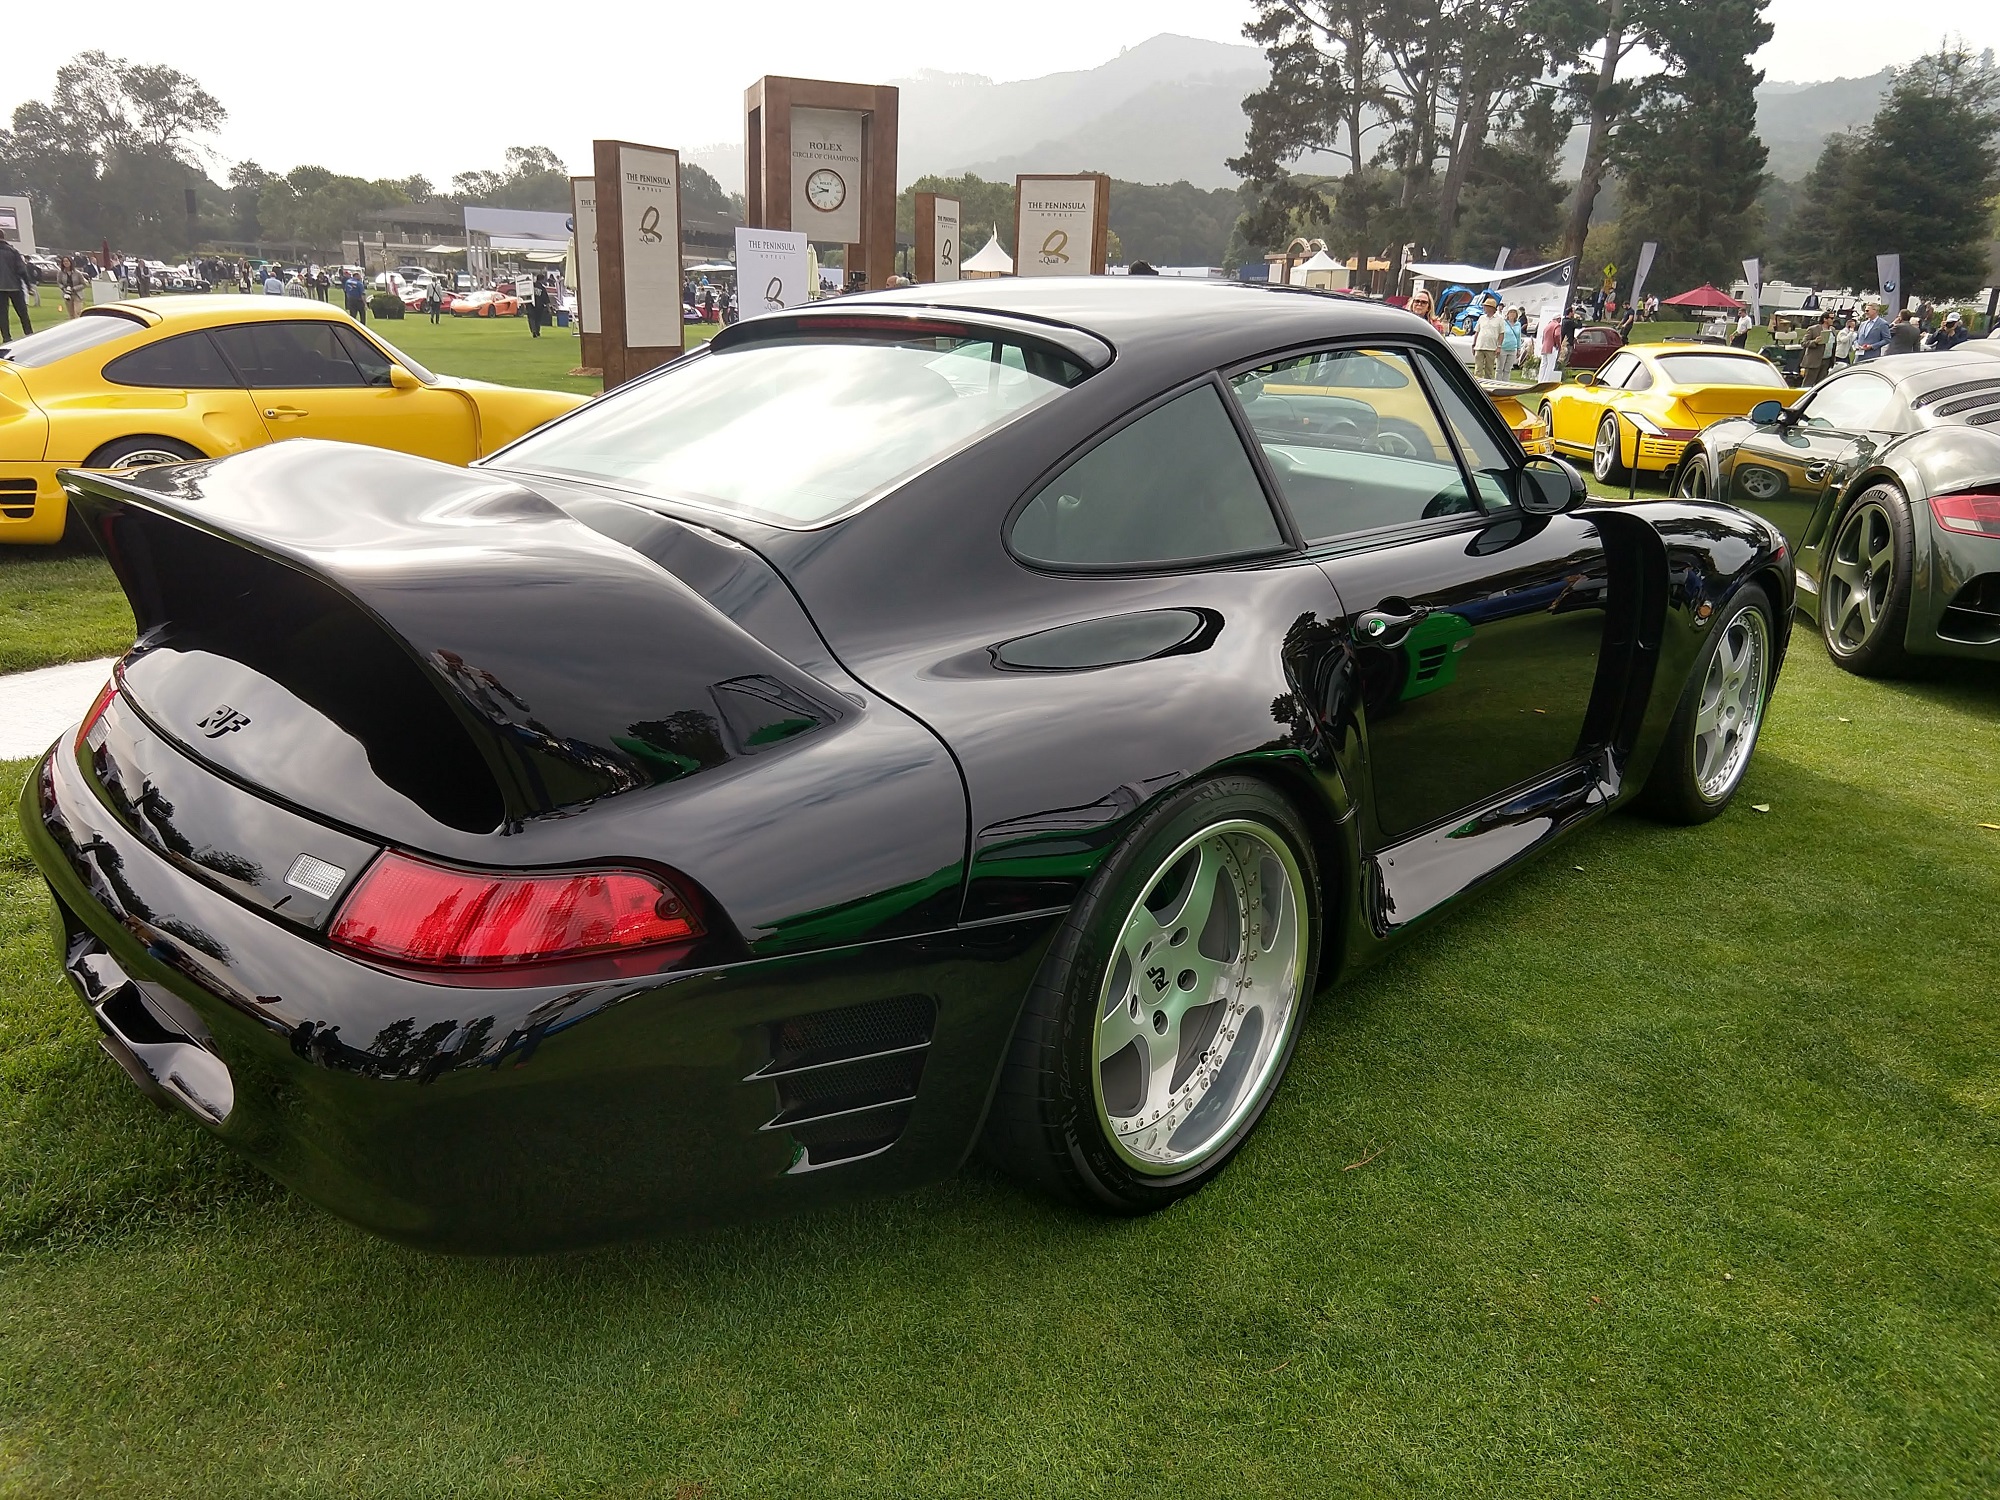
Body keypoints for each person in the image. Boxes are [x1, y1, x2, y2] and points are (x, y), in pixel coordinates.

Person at [0, 231, 33, 339]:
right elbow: (22, 270)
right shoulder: (13, 251)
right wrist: (28, 286)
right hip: (15, 285)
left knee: (2, 315)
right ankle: (29, 334)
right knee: (23, 313)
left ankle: (6, 338)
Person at [1471, 292, 1504, 380]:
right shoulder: (1481, 318)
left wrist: (1499, 347)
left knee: (1489, 370)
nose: (1484, 308)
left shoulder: (1500, 319)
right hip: (1480, 346)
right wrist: (1474, 344)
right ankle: (1478, 387)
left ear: (1491, 308)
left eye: (1486, 306)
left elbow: (1501, 333)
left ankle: (1488, 389)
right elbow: (1477, 332)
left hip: (1491, 347)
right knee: (1478, 369)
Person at [1799, 311, 1832, 387]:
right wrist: (1815, 341)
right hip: (1814, 361)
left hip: (1826, 361)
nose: (1833, 320)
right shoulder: (1813, 329)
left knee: (1821, 385)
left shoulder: (1832, 330)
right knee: (1808, 384)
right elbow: (1803, 343)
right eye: (1831, 318)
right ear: (1825, 319)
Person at [57, 256, 89, 321]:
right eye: (64, 261)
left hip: (77, 295)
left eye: (67, 261)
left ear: (71, 262)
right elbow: (59, 282)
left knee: (77, 312)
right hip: (67, 295)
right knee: (71, 314)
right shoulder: (60, 273)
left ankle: (78, 325)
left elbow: (84, 284)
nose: (66, 263)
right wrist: (63, 288)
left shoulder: (77, 273)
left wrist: (75, 288)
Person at [1537, 306, 1562, 382]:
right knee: (1550, 365)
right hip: (1552, 347)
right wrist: (1558, 345)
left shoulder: (1548, 325)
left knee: (1543, 364)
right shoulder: (1557, 325)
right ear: (1558, 319)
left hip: (1544, 346)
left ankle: (1540, 380)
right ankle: (1546, 381)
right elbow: (1557, 335)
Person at [1499, 306, 1523, 379]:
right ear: (1508, 314)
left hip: (1513, 348)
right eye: (1511, 312)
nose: (1512, 314)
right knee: (1499, 368)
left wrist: (1519, 348)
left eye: (1514, 312)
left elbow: (1519, 337)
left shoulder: (1518, 324)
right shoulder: (1503, 323)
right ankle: (1498, 383)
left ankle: (1505, 384)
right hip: (1503, 347)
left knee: (1508, 369)